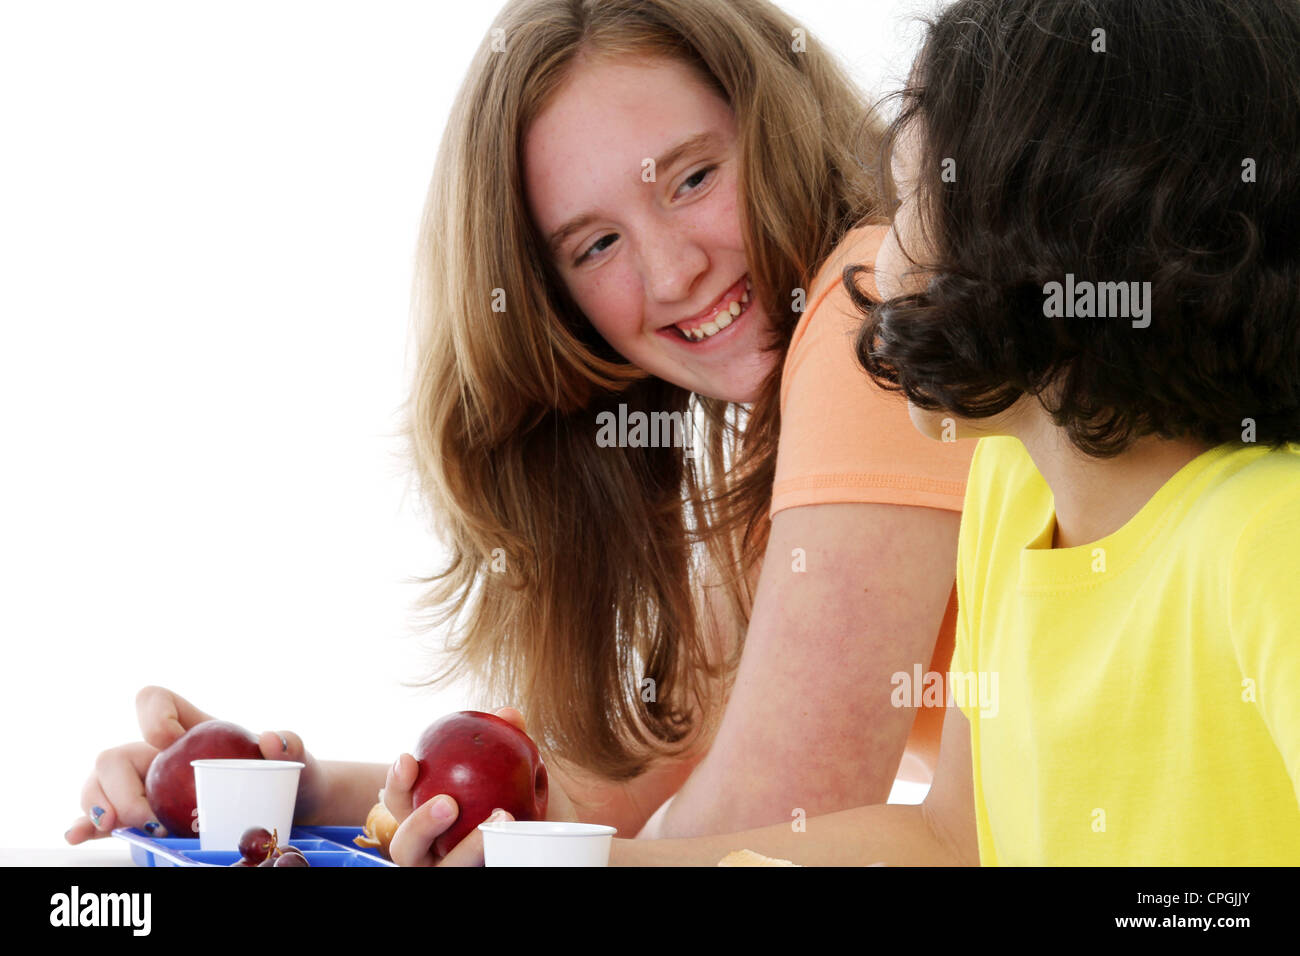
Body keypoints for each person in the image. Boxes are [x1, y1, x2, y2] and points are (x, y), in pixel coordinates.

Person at [67, 0, 976, 858]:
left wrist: (548, 865)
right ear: (557, 304)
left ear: (779, 126)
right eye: (596, 246)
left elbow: (770, 823)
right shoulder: (774, 458)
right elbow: (597, 789)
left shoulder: (870, 311)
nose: (673, 273)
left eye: (694, 177)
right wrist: (285, 792)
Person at [539, 0, 1299, 866]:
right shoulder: (1010, 498)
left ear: (1055, 233)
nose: (873, 270)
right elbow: (950, 839)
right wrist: (583, 861)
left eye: (905, 205)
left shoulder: (1271, 537)